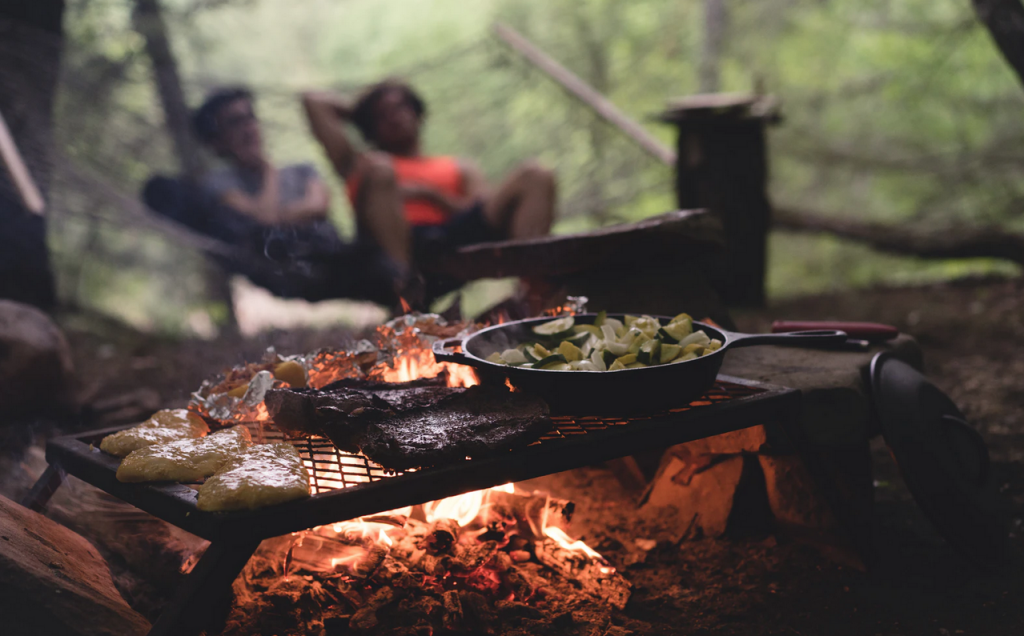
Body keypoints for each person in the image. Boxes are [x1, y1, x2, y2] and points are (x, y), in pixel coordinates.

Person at [144, 87, 405, 306]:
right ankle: (403, 286)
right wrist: (268, 170)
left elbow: (318, 206)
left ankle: (403, 282)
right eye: (235, 122)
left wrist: (278, 214)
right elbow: (265, 220)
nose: (248, 128)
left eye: (250, 117)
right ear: (217, 141)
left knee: (379, 173)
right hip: (297, 269)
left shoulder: (302, 169)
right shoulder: (218, 183)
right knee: (378, 268)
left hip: (341, 253)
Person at [301, 80, 556, 280]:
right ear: (370, 127)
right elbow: (312, 102)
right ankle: (404, 290)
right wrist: (362, 112)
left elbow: (480, 210)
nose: (393, 116)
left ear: (418, 113)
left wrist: (428, 194)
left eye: (400, 107)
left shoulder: (458, 166)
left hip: (456, 234)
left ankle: (533, 285)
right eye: (382, 114)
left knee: (536, 174)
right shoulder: (361, 164)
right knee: (381, 169)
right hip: (396, 248)